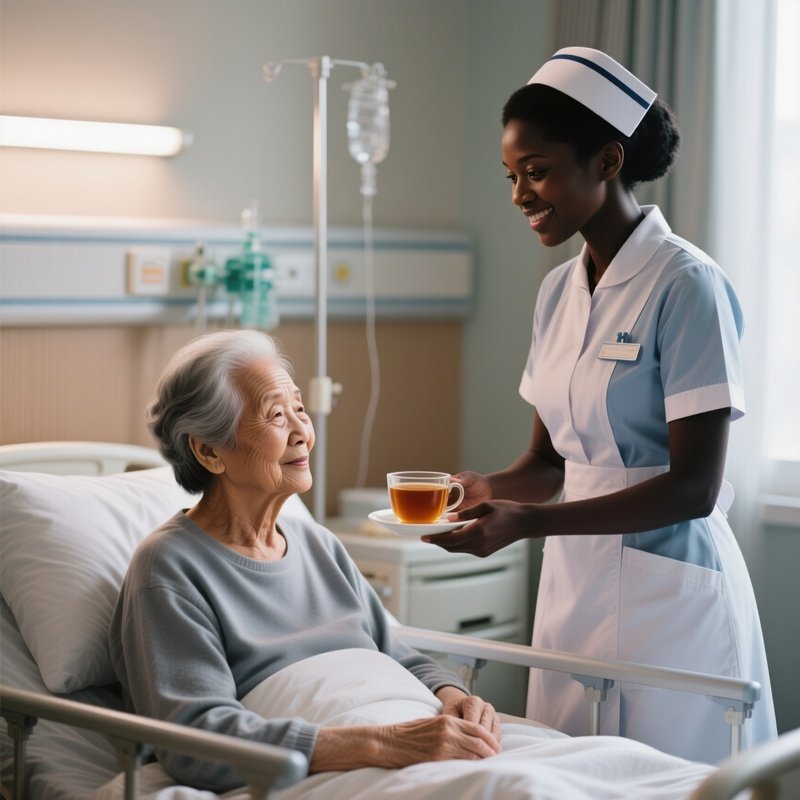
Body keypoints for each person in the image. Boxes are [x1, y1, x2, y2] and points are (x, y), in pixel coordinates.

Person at [424, 46, 777, 764]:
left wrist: (528, 523)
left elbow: (693, 489)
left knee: (669, 774)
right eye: (511, 176)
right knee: (570, 771)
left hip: (669, 596)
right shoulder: (558, 292)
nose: (520, 193)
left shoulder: (687, 285)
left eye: (538, 170)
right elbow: (547, 460)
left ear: (609, 162)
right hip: (573, 589)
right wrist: (488, 488)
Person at [108, 329, 501, 792]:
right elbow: (197, 738)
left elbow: (395, 654)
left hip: (412, 733)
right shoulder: (168, 568)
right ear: (209, 450)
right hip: (328, 769)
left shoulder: (318, 545)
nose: (303, 432)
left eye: (299, 408)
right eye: (277, 415)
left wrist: (455, 697)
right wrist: (387, 742)